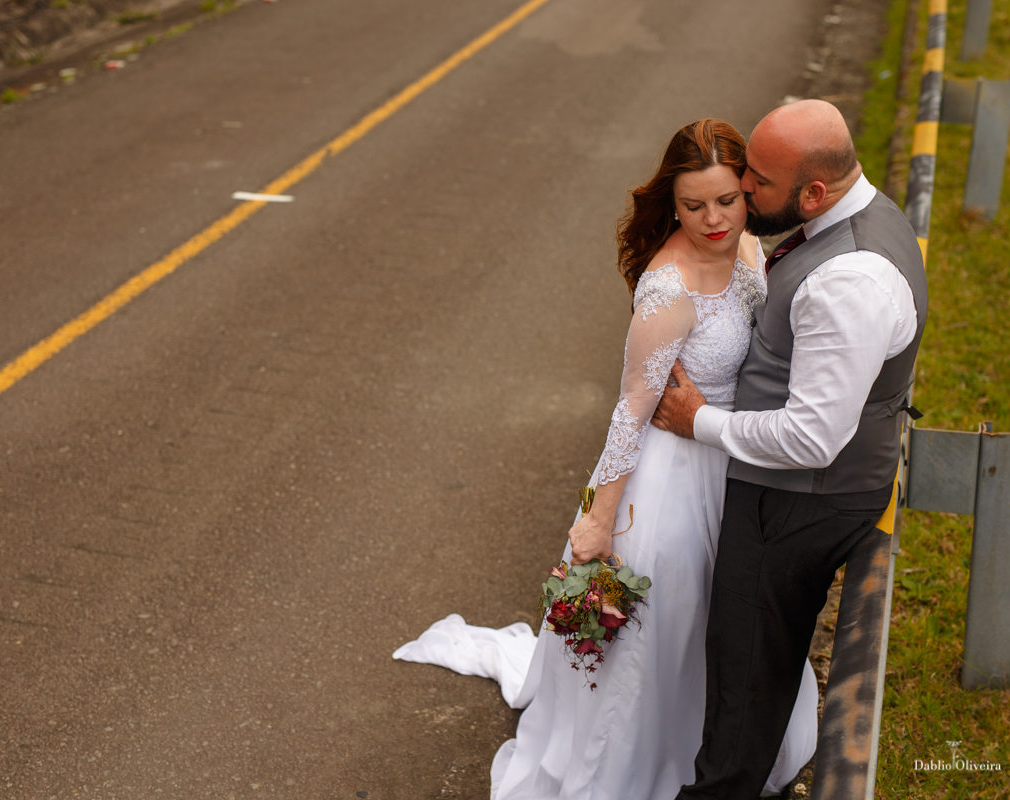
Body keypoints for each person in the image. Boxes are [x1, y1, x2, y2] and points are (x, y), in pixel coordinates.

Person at [393, 119, 818, 800]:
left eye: (727, 200)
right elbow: (630, 412)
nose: (714, 220)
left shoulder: (746, 246)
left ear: (746, 191)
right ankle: (641, 762)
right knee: (665, 624)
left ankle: (727, 746)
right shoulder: (667, 290)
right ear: (671, 204)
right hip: (670, 478)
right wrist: (597, 521)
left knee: (725, 618)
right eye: (693, 206)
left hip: (730, 458)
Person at [652, 100, 928, 800]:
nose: (743, 189)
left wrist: (699, 420)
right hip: (800, 488)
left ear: (814, 192)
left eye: (759, 182)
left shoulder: (847, 283)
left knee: (744, 670)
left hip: (798, 502)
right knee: (753, 662)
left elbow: (811, 438)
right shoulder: (860, 213)